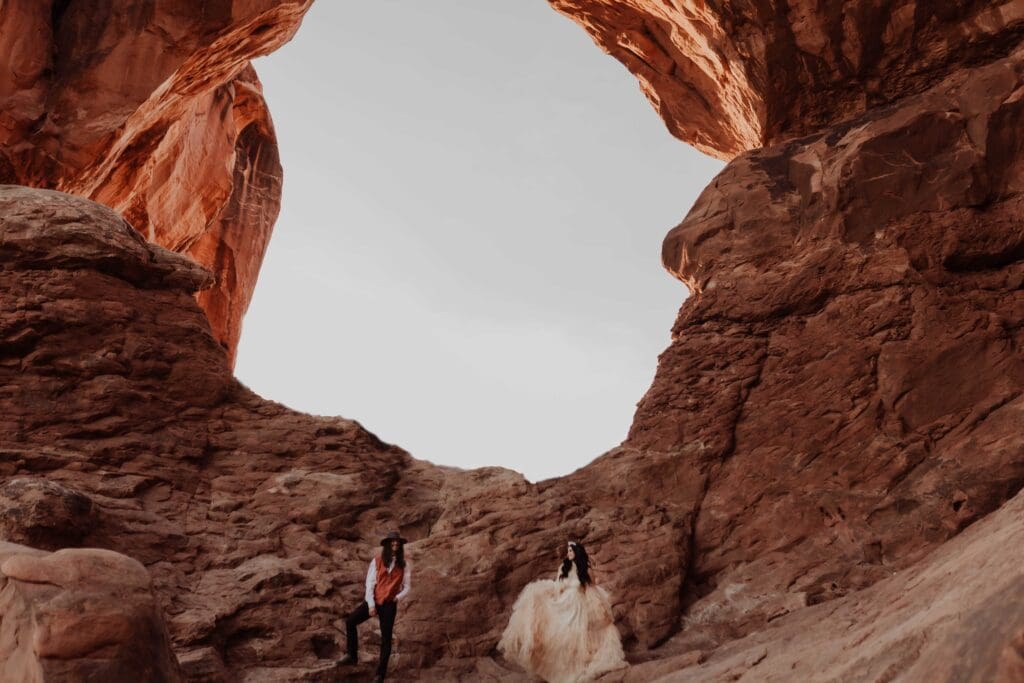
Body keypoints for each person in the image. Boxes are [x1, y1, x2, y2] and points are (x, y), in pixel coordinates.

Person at [498, 541, 627, 683]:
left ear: (577, 552)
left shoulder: (585, 569)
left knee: (576, 636)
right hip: (563, 603)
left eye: (571, 551)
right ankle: (557, 671)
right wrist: (549, 595)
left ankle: (577, 668)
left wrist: (596, 609)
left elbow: (591, 589)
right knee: (557, 633)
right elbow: (558, 586)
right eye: (568, 551)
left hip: (578, 605)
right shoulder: (563, 567)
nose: (568, 553)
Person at [337, 531, 411, 682]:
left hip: (389, 605)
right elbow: (370, 584)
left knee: (386, 639)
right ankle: (352, 655)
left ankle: (379, 675)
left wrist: (398, 597)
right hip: (374, 599)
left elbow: (407, 586)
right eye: (392, 542)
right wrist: (371, 605)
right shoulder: (377, 561)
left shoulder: (404, 565)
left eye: (397, 543)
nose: (395, 544)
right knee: (351, 621)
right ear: (387, 545)